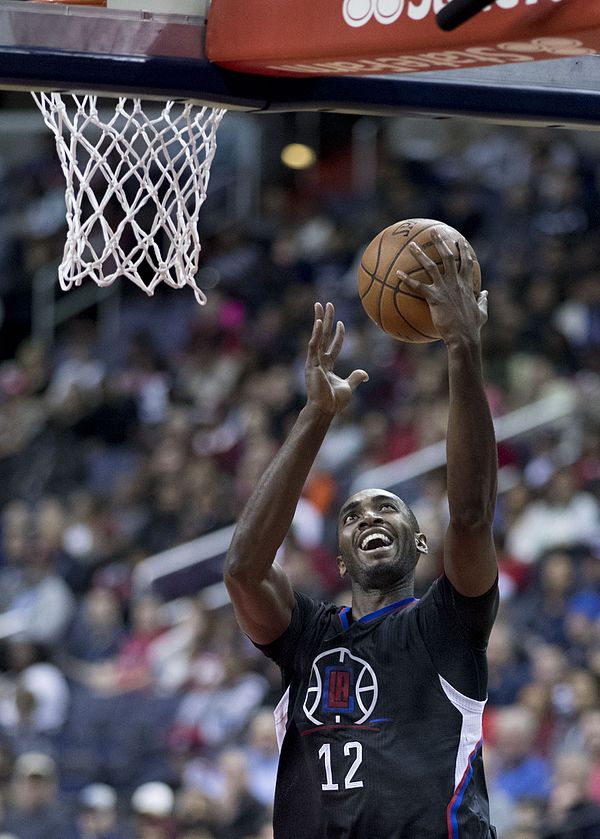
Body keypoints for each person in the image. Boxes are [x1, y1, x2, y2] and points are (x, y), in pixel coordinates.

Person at [224, 227, 499, 838]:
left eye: (388, 508)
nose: (369, 516)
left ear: (421, 542)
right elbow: (242, 568)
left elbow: (473, 515)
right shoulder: (307, 640)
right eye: (351, 515)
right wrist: (315, 415)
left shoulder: (448, 624)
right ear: (340, 561)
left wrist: (461, 346)